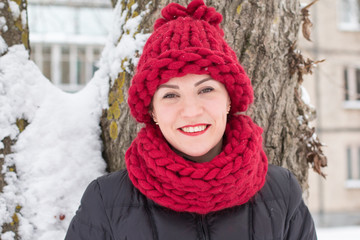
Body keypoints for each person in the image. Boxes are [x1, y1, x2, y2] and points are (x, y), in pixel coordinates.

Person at [65, 0, 317, 239]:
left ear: (230, 99)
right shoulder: (105, 201)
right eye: (171, 95)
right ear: (152, 111)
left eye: (206, 90)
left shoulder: (282, 193)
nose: (191, 111)